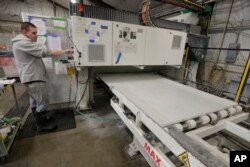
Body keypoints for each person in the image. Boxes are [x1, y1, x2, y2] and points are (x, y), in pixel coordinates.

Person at [12, 22, 72, 132]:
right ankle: (42, 125)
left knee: (35, 100)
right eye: (33, 33)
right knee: (42, 101)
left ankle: (40, 119)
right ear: (24, 32)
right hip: (34, 77)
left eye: (37, 33)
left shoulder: (22, 42)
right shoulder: (23, 43)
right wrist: (65, 51)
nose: (36, 35)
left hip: (31, 77)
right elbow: (45, 52)